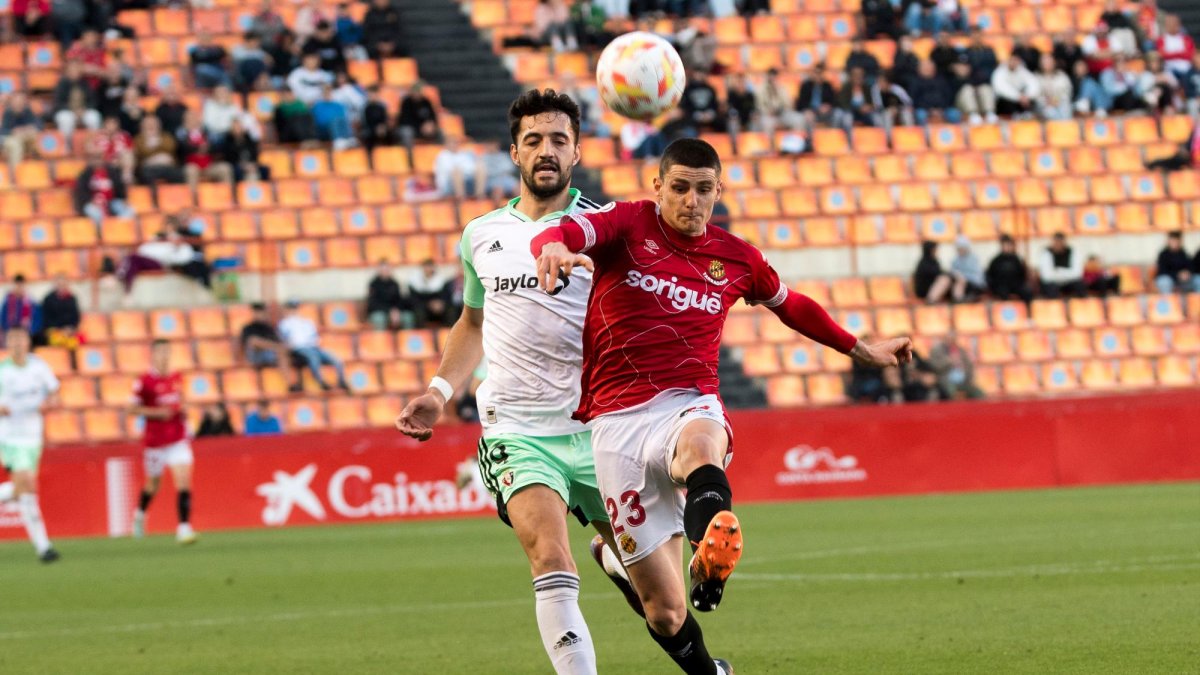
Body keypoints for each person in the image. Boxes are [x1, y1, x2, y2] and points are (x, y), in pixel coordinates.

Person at [529, 137, 911, 675]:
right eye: (680, 188)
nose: (691, 200)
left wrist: (861, 349)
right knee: (665, 612)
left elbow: (792, 306)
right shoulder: (628, 223)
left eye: (703, 189)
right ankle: (693, 649)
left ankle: (709, 552)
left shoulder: (736, 257)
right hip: (616, 424)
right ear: (658, 186)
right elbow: (566, 232)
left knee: (701, 446)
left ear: (718, 191)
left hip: (689, 401)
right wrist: (550, 245)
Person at [397, 88, 642, 675]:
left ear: (577, 151)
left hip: (599, 428)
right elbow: (472, 322)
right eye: (533, 140)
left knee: (661, 593)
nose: (546, 150)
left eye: (559, 139)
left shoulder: (605, 230)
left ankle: (619, 560)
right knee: (550, 559)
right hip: (517, 430)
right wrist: (438, 392)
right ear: (514, 152)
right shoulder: (481, 234)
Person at [0, 328, 61, 562]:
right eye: (12, 340)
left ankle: (43, 547)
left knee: (23, 490)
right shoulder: (3, 371)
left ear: (28, 342)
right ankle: (44, 547)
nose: (17, 344)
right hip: (9, 437)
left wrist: (49, 403)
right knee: (27, 483)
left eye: (20, 339)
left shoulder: (38, 367)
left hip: (33, 437)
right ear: (7, 344)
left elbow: (55, 392)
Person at [129, 339, 197, 544]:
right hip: (155, 442)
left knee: (183, 480)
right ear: (153, 355)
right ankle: (140, 514)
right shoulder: (144, 381)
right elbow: (131, 409)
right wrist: (157, 413)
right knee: (153, 485)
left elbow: (182, 400)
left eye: (167, 352)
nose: (164, 356)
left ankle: (184, 527)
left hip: (177, 438)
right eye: (160, 352)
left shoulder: (177, 378)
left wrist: (185, 409)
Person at [278, 300, 351, 392]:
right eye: (291, 308)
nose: (293, 310)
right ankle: (321, 382)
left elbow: (315, 337)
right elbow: (284, 339)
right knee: (313, 358)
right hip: (299, 348)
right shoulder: (284, 323)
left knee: (335, 359)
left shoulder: (306, 322)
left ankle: (342, 381)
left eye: (295, 308)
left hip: (314, 347)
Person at [240, 303, 300, 392]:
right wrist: (276, 346)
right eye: (258, 312)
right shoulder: (248, 327)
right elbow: (249, 343)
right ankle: (277, 348)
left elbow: (279, 341)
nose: (260, 314)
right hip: (256, 355)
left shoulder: (269, 328)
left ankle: (290, 384)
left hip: (269, 354)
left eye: (262, 312)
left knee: (282, 353)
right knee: (254, 340)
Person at [74, 150, 135, 226]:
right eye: (94, 158)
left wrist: (123, 200)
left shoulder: (112, 171)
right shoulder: (85, 174)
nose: (97, 161)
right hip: (92, 203)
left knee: (130, 210)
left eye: (99, 158)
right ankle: (102, 232)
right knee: (95, 213)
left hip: (111, 201)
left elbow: (120, 188)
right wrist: (90, 201)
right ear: (90, 160)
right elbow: (81, 192)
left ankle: (118, 228)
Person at [52, 60, 102, 139]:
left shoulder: (85, 83)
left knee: (94, 117)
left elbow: (93, 101)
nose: (74, 71)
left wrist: (84, 109)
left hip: (83, 111)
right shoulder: (62, 83)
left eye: (76, 68)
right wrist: (73, 110)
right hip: (67, 111)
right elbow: (58, 103)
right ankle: (66, 145)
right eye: (72, 69)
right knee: (66, 119)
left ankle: (94, 142)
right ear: (67, 71)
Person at [928, 331, 983, 400]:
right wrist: (949, 361)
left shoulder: (961, 350)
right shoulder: (937, 351)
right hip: (946, 381)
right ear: (944, 339)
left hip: (964, 381)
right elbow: (934, 366)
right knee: (951, 392)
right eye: (949, 339)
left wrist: (969, 377)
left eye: (953, 339)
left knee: (978, 393)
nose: (951, 341)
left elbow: (969, 366)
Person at [133, 115, 184, 185]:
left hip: (168, 167)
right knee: (147, 174)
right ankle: (153, 192)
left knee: (179, 174)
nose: (151, 126)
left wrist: (156, 144)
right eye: (148, 124)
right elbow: (141, 152)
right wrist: (156, 156)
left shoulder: (166, 136)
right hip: (148, 169)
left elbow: (171, 148)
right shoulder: (138, 139)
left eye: (154, 124)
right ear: (142, 126)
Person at [986, 235, 1034, 306]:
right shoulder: (996, 261)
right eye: (1005, 245)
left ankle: (1027, 310)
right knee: (1003, 293)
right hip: (1001, 286)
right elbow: (990, 276)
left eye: (1009, 245)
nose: (1007, 247)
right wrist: (995, 286)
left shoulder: (1016, 259)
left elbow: (1022, 274)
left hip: (1015, 284)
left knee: (1027, 291)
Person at [397, 82, 441, 159]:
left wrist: (431, 124)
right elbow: (405, 120)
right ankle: (410, 159)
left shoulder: (426, 101)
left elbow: (433, 116)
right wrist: (421, 126)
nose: (417, 94)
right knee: (407, 133)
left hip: (424, 129)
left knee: (440, 133)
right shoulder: (406, 102)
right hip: (411, 128)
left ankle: (439, 157)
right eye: (415, 91)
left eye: (418, 91)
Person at [910, 58, 959, 123]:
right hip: (924, 110)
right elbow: (914, 100)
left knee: (954, 114)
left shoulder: (942, 80)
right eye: (924, 67)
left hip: (943, 109)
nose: (927, 68)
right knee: (920, 115)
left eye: (929, 66)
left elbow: (949, 97)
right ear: (919, 69)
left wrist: (941, 109)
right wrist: (930, 110)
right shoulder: (915, 82)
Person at [1038, 232, 1087, 298]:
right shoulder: (1046, 253)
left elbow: (1077, 274)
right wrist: (1067, 272)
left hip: (1069, 283)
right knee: (1051, 288)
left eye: (1060, 242)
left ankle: (1081, 303)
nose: (1058, 244)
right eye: (1056, 242)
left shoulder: (1072, 252)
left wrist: (1058, 271)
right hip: (1052, 283)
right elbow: (1046, 276)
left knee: (1080, 285)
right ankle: (1053, 304)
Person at [366, 261, 412, 330]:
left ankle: (406, 336)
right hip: (379, 311)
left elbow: (400, 300)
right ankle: (380, 337)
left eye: (387, 269)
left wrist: (397, 311)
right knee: (379, 319)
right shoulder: (373, 284)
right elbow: (373, 303)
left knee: (408, 317)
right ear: (379, 270)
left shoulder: (395, 283)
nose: (385, 272)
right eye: (383, 270)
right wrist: (389, 311)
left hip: (394, 311)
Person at [40, 274, 81, 350]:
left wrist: (71, 328)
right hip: (53, 331)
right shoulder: (48, 299)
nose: (61, 286)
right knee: (57, 341)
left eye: (63, 284)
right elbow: (46, 318)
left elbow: (75, 317)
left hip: (68, 331)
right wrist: (59, 330)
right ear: (55, 284)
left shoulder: (72, 298)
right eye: (59, 284)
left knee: (76, 342)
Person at [796, 62, 839, 132]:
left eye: (819, 73)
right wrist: (807, 110)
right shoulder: (806, 86)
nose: (817, 75)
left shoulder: (827, 86)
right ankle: (810, 137)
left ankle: (832, 136)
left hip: (824, 113)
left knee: (837, 114)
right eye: (815, 73)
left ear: (823, 74)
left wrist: (827, 106)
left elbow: (834, 101)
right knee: (808, 117)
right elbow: (800, 103)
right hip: (810, 112)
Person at [2, 92, 42, 167]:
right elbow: (3, 131)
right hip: (10, 138)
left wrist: (29, 128)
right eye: (17, 101)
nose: (19, 103)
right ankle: (15, 170)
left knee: (37, 138)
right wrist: (13, 131)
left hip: (25, 137)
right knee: (15, 145)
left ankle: (40, 167)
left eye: (21, 101)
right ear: (12, 102)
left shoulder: (27, 111)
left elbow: (39, 125)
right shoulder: (7, 112)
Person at [1036, 53, 1074, 120]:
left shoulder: (1062, 76)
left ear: (1054, 62)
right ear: (1040, 63)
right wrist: (1047, 101)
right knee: (1050, 111)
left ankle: (1065, 125)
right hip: (1044, 105)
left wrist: (1056, 100)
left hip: (1060, 103)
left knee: (1066, 107)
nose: (1047, 64)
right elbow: (1036, 96)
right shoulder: (1036, 77)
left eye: (1049, 61)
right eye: (1045, 62)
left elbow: (1067, 92)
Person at [1157, 14, 1195, 80]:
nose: (1172, 26)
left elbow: (1189, 54)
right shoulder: (1161, 40)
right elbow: (1162, 54)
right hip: (1169, 69)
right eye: (1169, 23)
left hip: (1186, 69)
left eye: (1175, 23)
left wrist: (1171, 54)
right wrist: (1181, 53)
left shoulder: (1186, 39)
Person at [949, 236, 984, 301]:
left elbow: (977, 277)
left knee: (961, 280)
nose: (960, 250)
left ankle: (958, 300)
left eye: (962, 248)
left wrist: (961, 276)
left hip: (974, 285)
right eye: (959, 248)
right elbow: (952, 271)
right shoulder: (955, 260)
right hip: (962, 284)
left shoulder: (973, 259)